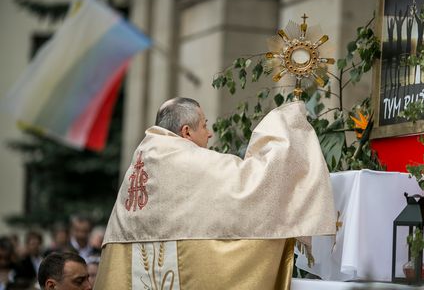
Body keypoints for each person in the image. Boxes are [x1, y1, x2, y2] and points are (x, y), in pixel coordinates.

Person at [95, 97, 336, 289]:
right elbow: (255, 185)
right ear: (186, 131)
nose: (209, 133)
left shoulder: (142, 160)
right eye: (205, 124)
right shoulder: (190, 160)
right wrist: (286, 126)